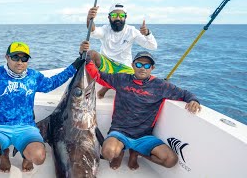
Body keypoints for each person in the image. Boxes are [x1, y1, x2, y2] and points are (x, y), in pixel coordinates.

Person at [0, 42, 85, 173]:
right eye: (15, 57)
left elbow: (52, 83)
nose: (19, 62)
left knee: (39, 157)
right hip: (0, 126)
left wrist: (75, 64)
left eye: (24, 58)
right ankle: (4, 153)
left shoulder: (34, 76)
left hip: (26, 126)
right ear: (7, 57)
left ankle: (26, 157)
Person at [83, 41, 201, 170]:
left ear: (152, 68)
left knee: (170, 160)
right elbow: (97, 75)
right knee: (108, 153)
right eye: (138, 64)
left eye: (147, 65)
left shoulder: (161, 86)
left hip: (144, 135)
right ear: (133, 65)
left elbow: (184, 94)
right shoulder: (121, 79)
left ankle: (138, 152)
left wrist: (193, 100)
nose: (142, 68)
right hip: (119, 131)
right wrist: (87, 57)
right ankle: (119, 153)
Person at [86, 3, 157, 99]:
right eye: (114, 15)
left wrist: (147, 34)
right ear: (109, 17)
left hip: (124, 67)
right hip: (106, 64)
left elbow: (152, 46)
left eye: (122, 15)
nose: (118, 18)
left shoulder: (132, 31)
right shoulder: (105, 29)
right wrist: (89, 19)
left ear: (125, 17)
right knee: (90, 54)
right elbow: (92, 31)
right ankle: (90, 91)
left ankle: (106, 88)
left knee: (134, 79)